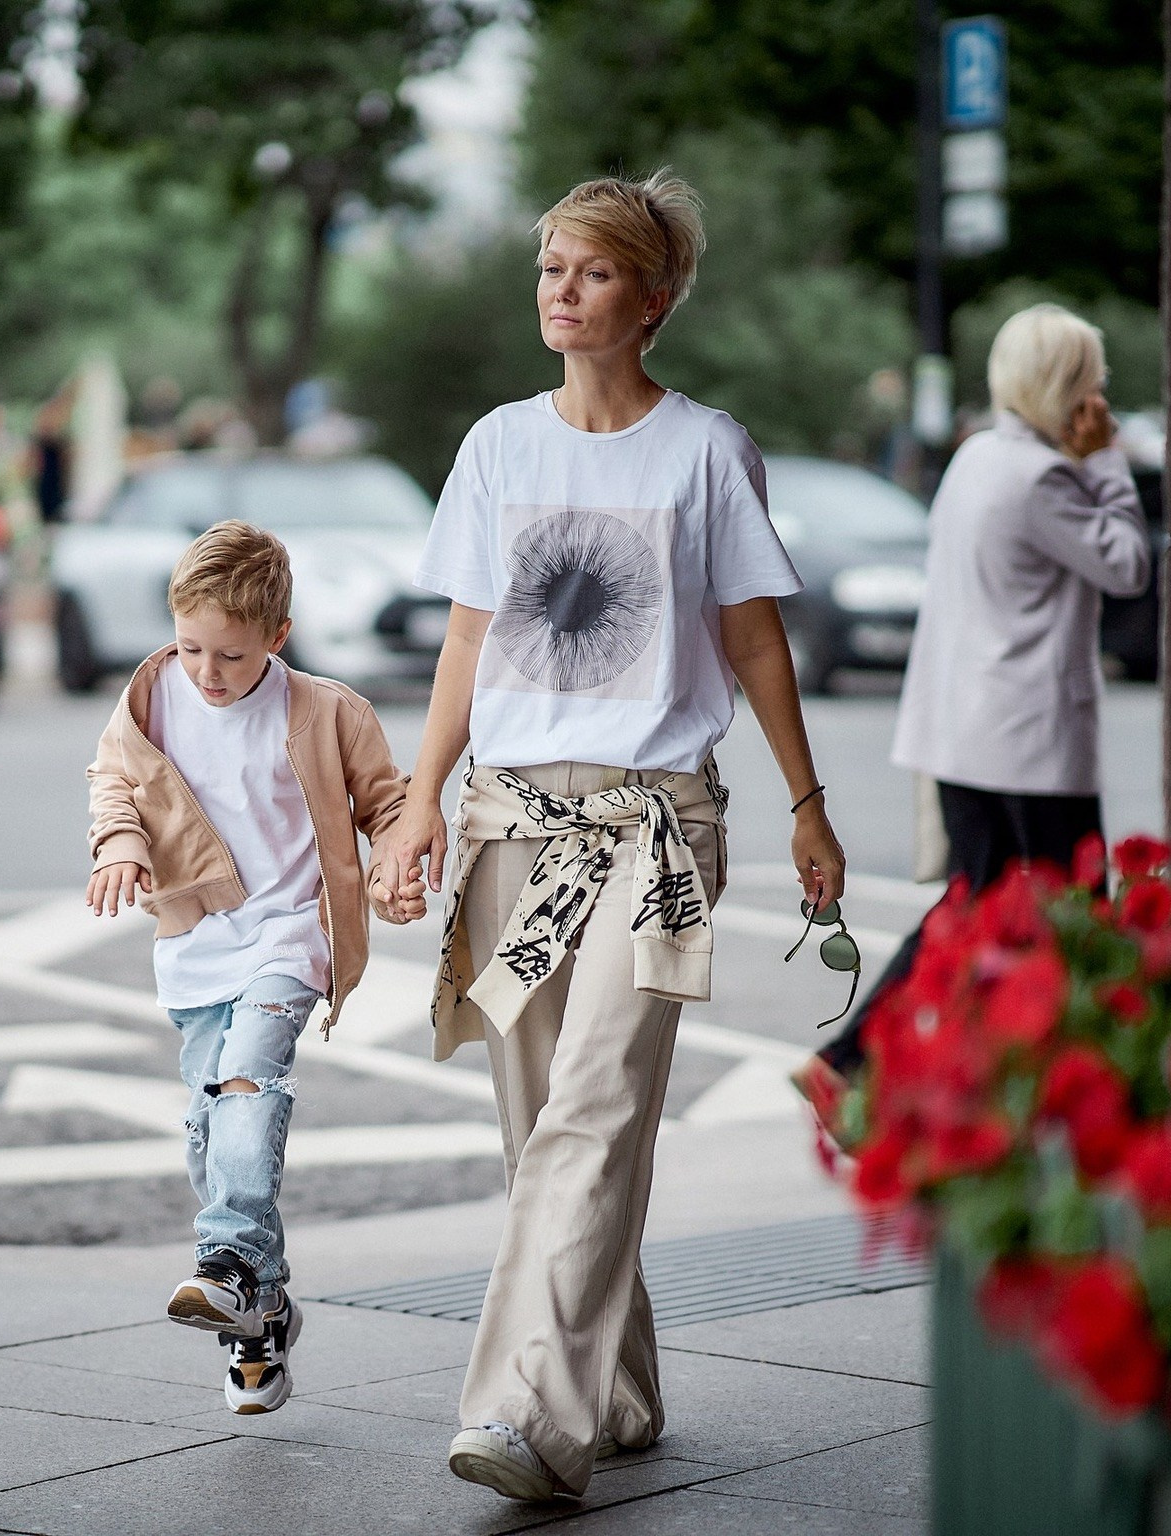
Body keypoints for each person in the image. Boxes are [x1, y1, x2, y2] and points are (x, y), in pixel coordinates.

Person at [368, 171, 849, 1503]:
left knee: (592, 1113)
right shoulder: (498, 447)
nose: (559, 293)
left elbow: (753, 636)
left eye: (587, 272)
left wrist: (807, 803)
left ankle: (530, 1416)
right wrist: (417, 805)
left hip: (659, 833)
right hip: (512, 819)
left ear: (655, 297)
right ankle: (620, 1391)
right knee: (540, 1133)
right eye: (547, 269)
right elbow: (470, 636)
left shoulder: (706, 449)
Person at [83, 520, 409, 1415]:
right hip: (197, 945)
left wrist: (395, 864)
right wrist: (118, 845)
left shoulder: (328, 710)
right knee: (207, 1128)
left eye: (229, 654)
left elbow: (388, 803)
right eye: (191, 647)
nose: (207, 672)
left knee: (245, 1088)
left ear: (277, 637)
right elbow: (113, 779)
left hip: (290, 937)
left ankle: (224, 1254)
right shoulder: (152, 697)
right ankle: (258, 1313)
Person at [796, 303, 1151, 1109]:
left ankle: (856, 1064)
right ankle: (1101, 1093)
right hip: (1028, 737)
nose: (1101, 395)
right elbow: (1128, 565)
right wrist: (1109, 464)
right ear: (1069, 388)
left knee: (974, 902)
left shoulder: (977, 459)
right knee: (1078, 915)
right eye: (1094, 380)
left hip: (965, 732)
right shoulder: (1046, 476)